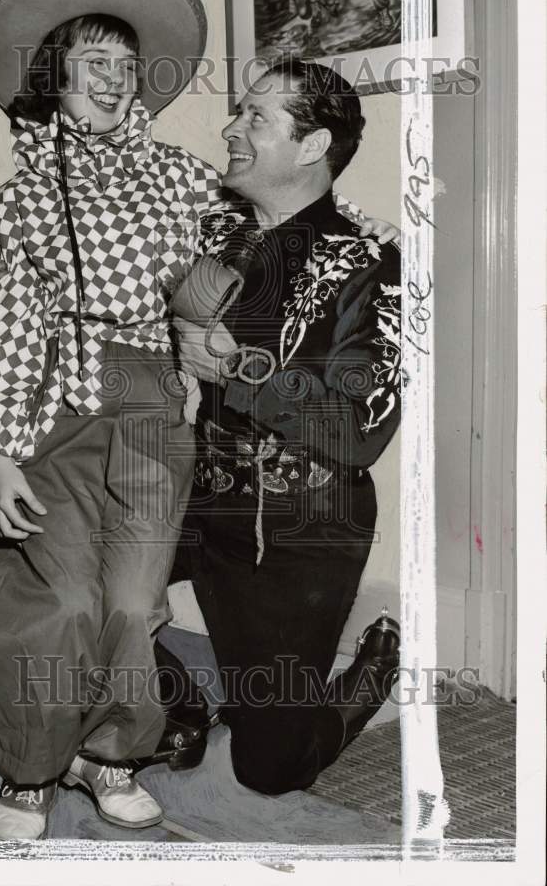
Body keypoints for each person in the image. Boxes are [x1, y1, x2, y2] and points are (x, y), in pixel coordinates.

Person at [0, 0, 399, 839]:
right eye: (94, 64)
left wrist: (243, 358)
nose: (116, 82)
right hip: (119, 436)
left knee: (188, 670)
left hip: (226, 466)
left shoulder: (331, 246)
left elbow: (353, 423)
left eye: (125, 67)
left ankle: (139, 744)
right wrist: (7, 433)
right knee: (72, 599)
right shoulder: (84, 202)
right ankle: (63, 755)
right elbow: (32, 300)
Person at [171, 55, 402, 795]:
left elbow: (359, 429)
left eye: (255, 118)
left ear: (311, 146)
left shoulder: (374, 261)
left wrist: (238, 370)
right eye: (238, 112)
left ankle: (370, 674)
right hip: (197, 500)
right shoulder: (208, 232)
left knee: (269, 769)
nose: (230, 128)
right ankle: (178, 713)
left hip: (303, 526)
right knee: (61, 567)